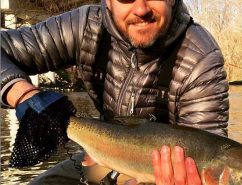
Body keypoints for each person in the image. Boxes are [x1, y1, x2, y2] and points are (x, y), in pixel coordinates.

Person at [1, 0, 229, 184]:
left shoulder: (201, 57)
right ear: (108, 2)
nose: (141, 9)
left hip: (159, 174)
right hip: (101, 154)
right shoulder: (84, 26)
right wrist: (23, 94)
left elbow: (209, 148)